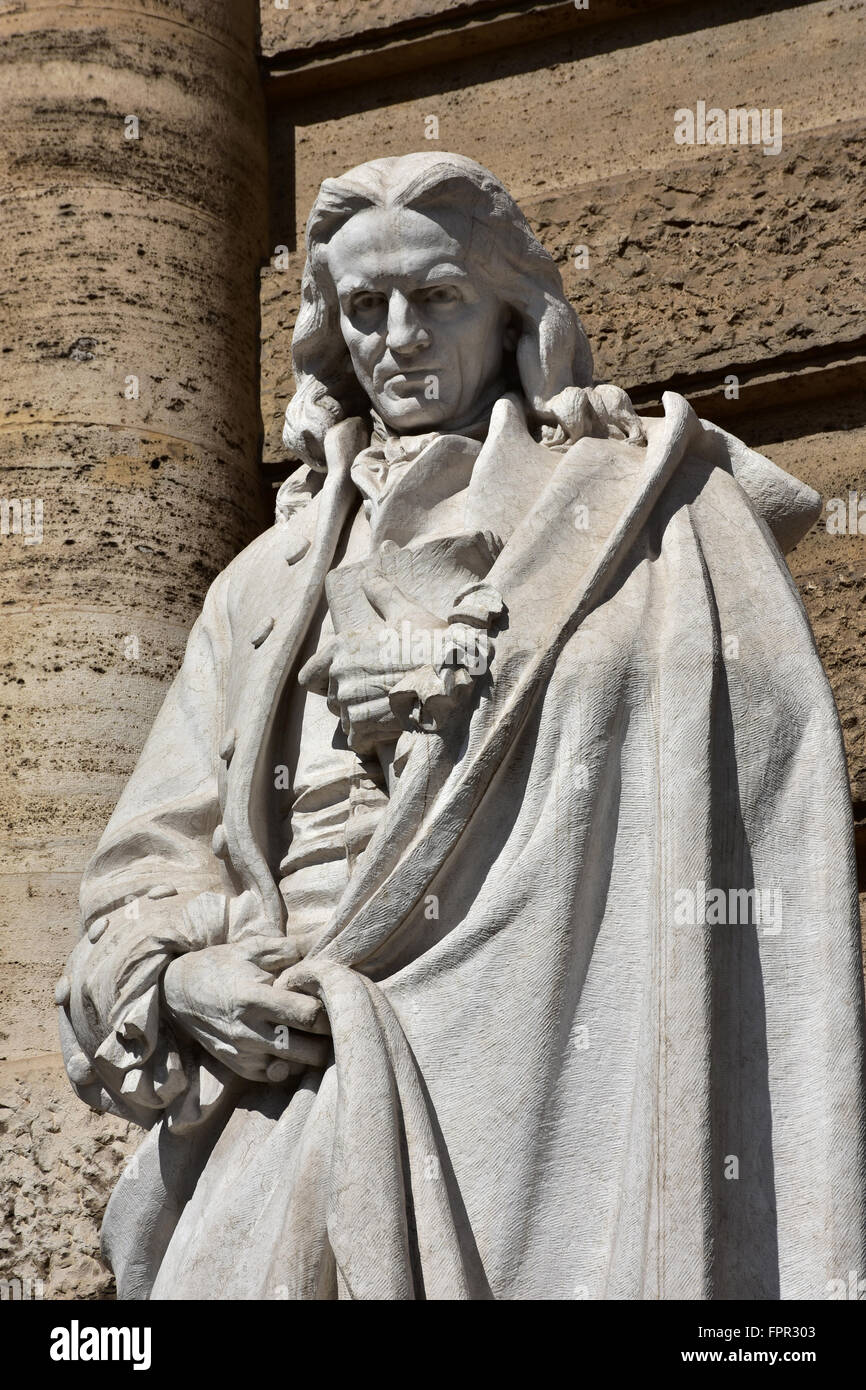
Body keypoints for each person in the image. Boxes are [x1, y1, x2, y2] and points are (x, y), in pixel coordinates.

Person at [59, 152, 866, 1300]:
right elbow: (131, 890)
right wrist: (185, 986)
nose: (395, 337)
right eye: (362, 307)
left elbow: (750, 758)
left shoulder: (633, 519)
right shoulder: (260, 584)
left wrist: (466, 679)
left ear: (510, 313)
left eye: (435, 298)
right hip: (298, 1077)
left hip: (543, 1081)